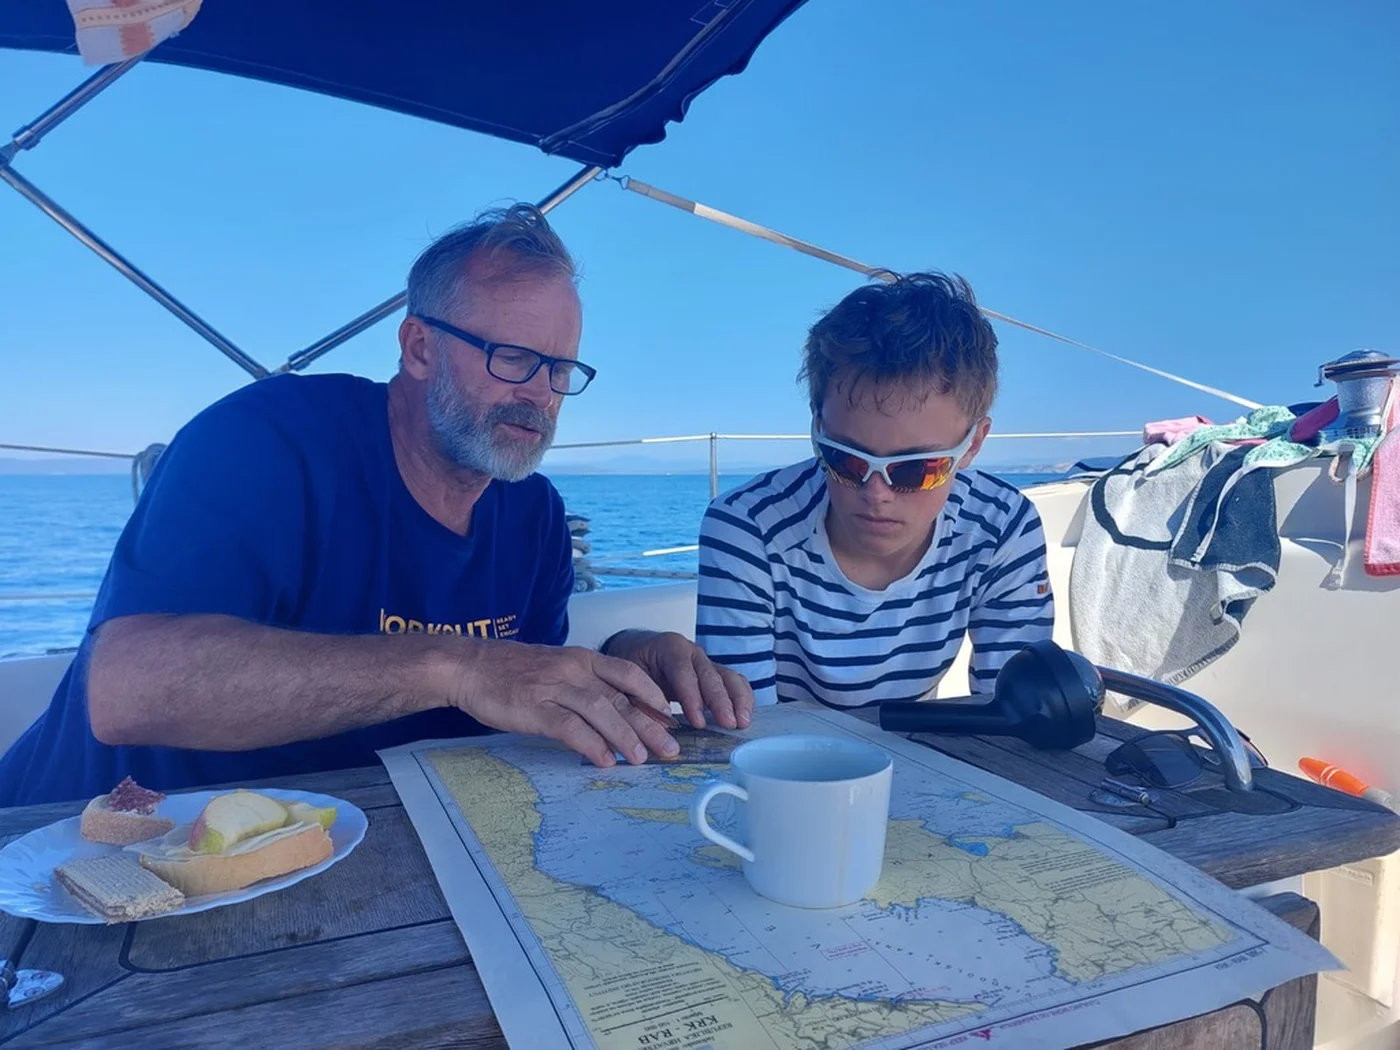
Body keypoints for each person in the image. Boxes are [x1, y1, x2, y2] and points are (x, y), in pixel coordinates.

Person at [0, 204, 752, 807]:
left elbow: (514, 691)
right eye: (514, 358)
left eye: (560, 369)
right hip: (79, 848)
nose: (541, 395)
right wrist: (455, 665)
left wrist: (621, 660)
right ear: (419, 348)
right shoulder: (268, 443)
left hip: (340, 853)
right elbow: (128, 688)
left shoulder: (535, 520)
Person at [695, 271, 1054, 708]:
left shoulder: (1003, 529)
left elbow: (1013, 716)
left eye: (916, 469)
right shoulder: (746, 528)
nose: (876, 493)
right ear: (817, 427)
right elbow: (747, 730)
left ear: (973, 444)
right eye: (844, 458)